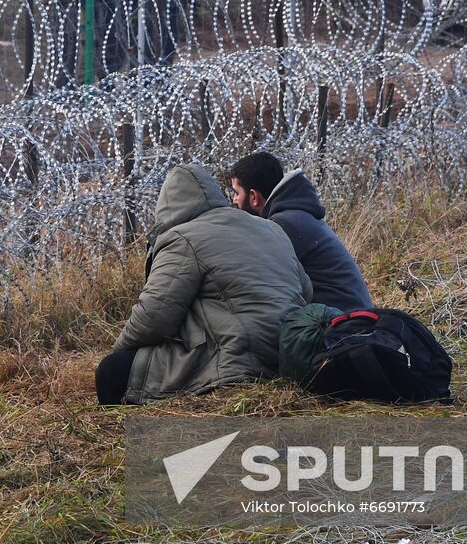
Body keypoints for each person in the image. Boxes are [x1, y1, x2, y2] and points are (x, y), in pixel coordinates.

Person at [96, 163, 314, 405]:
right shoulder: (271, 228)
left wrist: (119, 349)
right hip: (289, 355)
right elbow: (305, 290)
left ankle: (126, 436)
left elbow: (153, 318)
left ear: (167, 207)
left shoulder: (182, 238)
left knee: (111, 371)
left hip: (237, 360)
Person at [227, 152, 374, 312]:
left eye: (236, 193)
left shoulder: (284, 224)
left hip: (344, 325)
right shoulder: (294, 216)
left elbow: (257, 282)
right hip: (349, 316)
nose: (234, 200)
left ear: (254, 196)